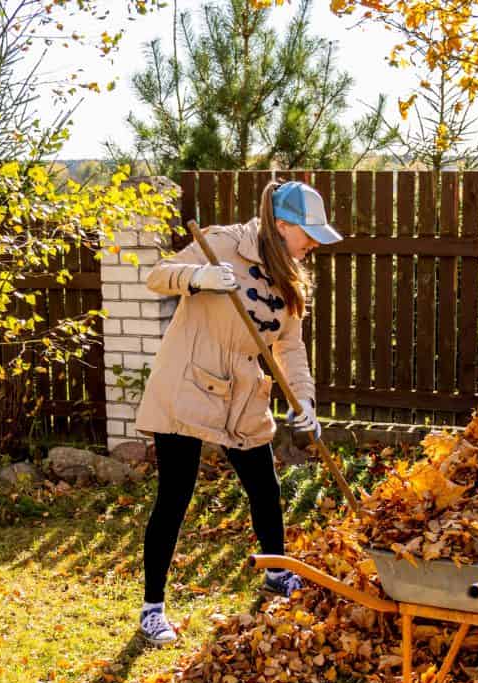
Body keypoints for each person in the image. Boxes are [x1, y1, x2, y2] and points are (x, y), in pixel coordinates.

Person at [132, 179, 342, 645]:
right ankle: (152, 608)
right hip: (188, 381)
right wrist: (198, 278)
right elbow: (157, 275)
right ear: (282, 225)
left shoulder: (290, 273)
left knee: (264, 488)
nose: (312, 245)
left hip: (244, 393)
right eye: (307, 234)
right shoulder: (222, 243)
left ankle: (275, 573)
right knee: (175, 495)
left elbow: (290, 345)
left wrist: (304, 399)